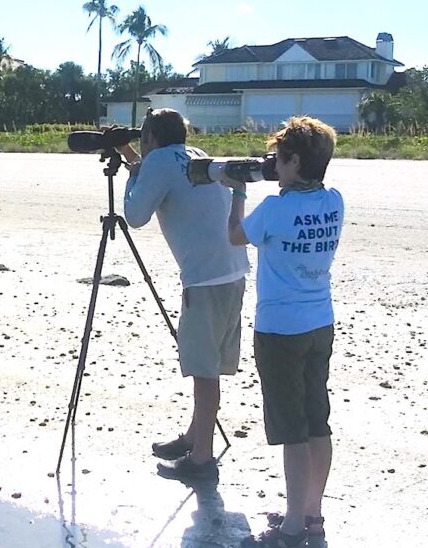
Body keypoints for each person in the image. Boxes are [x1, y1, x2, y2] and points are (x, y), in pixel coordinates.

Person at [223, 116, 343, 548]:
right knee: (317, 422)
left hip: (279, 329)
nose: (273, 164)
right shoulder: (335, 200)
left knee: (291, 428)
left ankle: (292, 527)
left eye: (278, 158)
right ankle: (312, 513)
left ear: (293, 160)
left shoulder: (276, 208)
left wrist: (237, 190)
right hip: (319, 321)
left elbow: (236, 236)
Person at [113, 108, 249, 480]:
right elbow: (162, 173)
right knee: (209, 368)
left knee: (203, 372)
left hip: (205, 279)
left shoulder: (156, 161)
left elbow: (135, 214)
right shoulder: (196, 155)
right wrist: (129, 155)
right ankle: (195, 437)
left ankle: (202, 459)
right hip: (233, 271)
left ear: (151, 138)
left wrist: (133, 173)